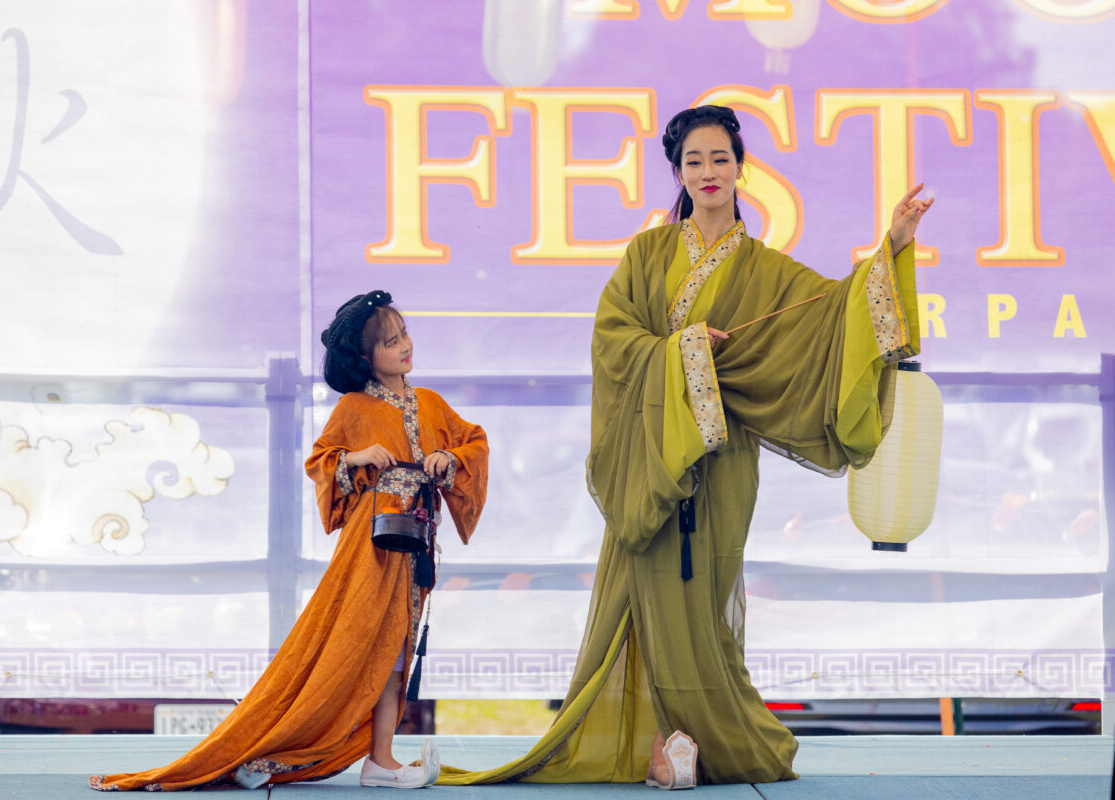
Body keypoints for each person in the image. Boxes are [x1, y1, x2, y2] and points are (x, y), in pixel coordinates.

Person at [439, 105, 930, 789]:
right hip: (649, 460)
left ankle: (697, 739)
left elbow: (835, 315)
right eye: (693, 161)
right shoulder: (646, 254)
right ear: (677, 172)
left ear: (741, 169)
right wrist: (685, 352)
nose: (707, 172)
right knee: (641, 592)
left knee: (703, 599)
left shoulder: (768, 270)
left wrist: (894, 245)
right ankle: (667, 742)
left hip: (723, 461)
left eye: (719, 159)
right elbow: (612, 340)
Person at [90, 290, 488, 791]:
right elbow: (321, 461)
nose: (404, 346)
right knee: (346, 644)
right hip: (371, 543)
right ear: (365, 359)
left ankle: (380, 759)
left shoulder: (430, 403)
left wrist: (447, 461)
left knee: (395, 649)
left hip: (416, 542)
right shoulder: (354, 406)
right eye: (390, 342)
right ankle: (276, 750)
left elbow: (473, 441)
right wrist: (358, 456)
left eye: (404, 334)